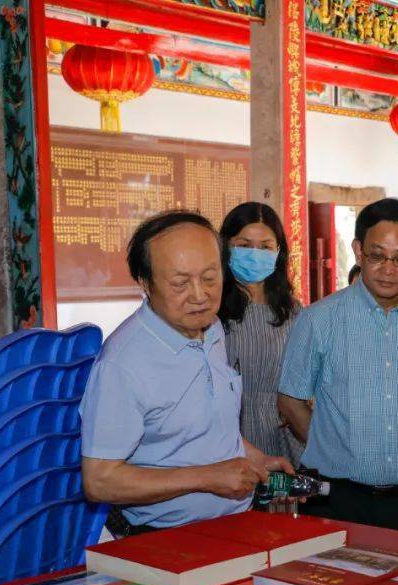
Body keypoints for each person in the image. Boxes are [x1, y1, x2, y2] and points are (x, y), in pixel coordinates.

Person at [80, 210, 292, 535]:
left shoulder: (213, 328)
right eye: (180, 283)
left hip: (235, 524)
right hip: (164, 537)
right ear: (145, 282)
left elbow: (201, 428)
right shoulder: (122, 365)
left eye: (210, 278)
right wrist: (207, 477)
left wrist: (252, 458)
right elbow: (99, 480)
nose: (199, 295)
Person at [277, 198, 398, 535]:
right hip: (334, 498)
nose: (388, 269)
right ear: (358, 251)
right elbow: (291, 400)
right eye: (377, 256)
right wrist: (333, 445)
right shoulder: (319, 320)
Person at [218, 202, 301, 467]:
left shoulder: (293, 311)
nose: (255, 254)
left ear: (279, 251)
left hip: (285, 437)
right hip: (227, 440)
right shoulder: (211, 309)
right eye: (244, 245)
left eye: (265, 247)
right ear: (225, 246)